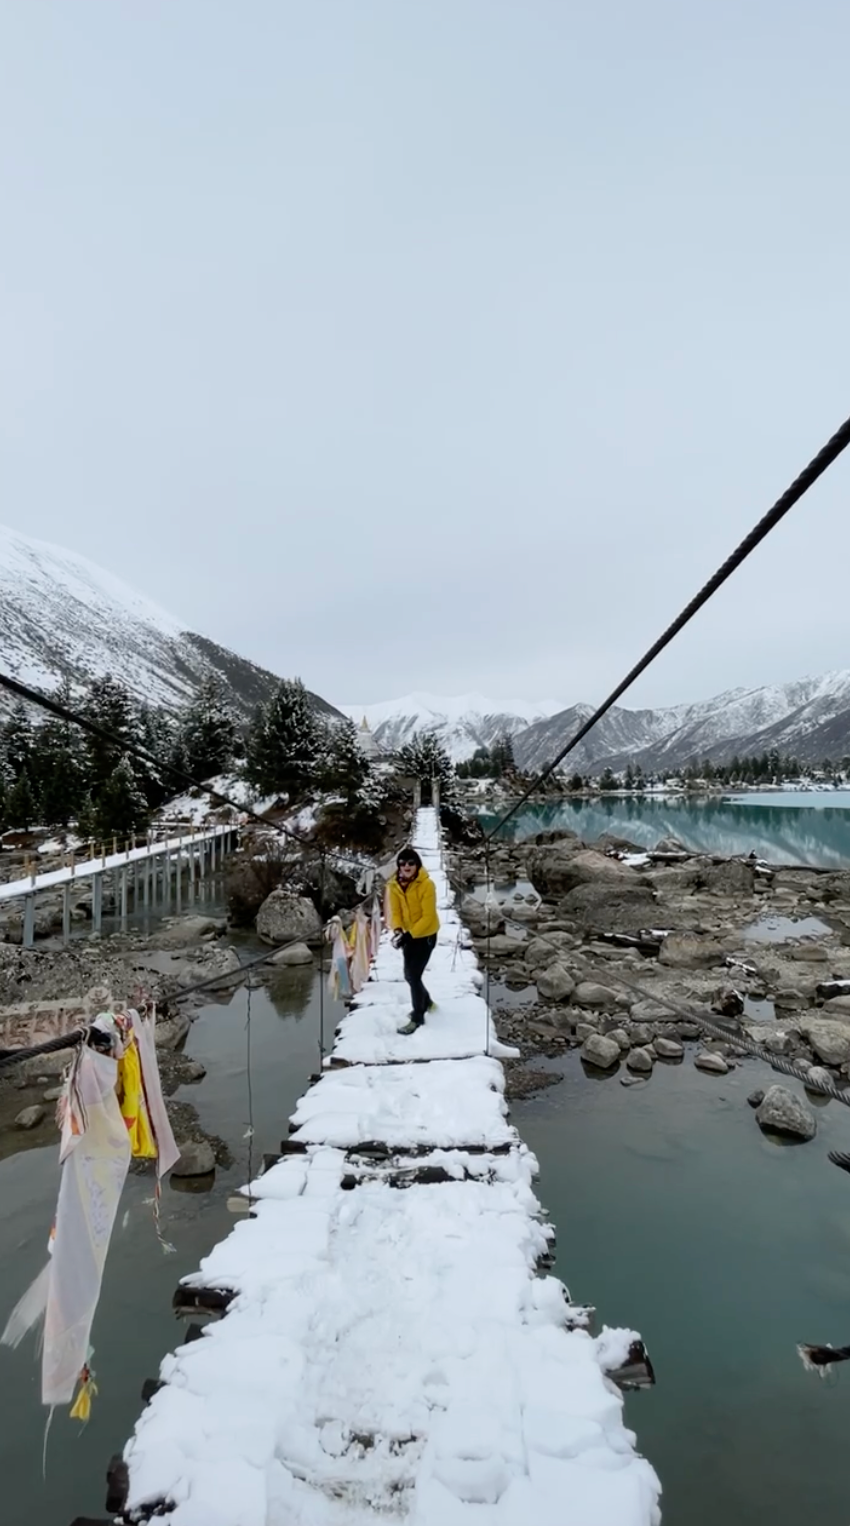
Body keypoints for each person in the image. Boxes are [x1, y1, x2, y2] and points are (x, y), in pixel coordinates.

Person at [388, 847, 440, 1034]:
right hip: (409, 936)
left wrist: (409, 935)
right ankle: (427, 1002)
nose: (407, 866)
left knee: (413, 975)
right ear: (398, 866)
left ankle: (418, 1016)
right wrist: (398, 930)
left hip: (426, 936)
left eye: (411, 863)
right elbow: (395, 912)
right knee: (409, 975)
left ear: (417, 865)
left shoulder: (427, 885)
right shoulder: (393, 885)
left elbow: (428, 916)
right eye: (402, 863)